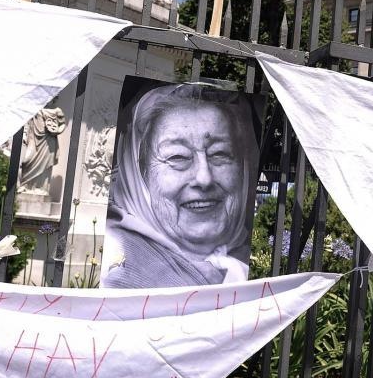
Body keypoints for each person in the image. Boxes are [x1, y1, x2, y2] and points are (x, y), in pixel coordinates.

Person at [101, 83, 258, 288]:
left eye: (220, 154)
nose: (204, 178)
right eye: (178, 156)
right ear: (141, 173)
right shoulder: (116, 264)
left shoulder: (245, 268)